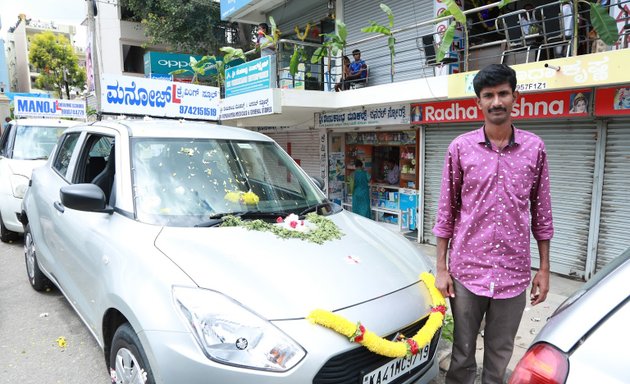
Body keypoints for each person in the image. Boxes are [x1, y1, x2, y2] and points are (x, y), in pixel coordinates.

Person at [432, 63, 553, 384]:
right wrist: (441, 268)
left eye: (503, 93)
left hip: (513, 274)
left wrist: (543, 268)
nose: (496, 101)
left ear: (516, 98)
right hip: (467, 272)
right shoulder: (460, 148)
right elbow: (447, 210)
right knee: (461, 353)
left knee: (500, 354)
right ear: (478, 102)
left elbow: (542, 212)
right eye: (489, 95)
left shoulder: (535, 148)